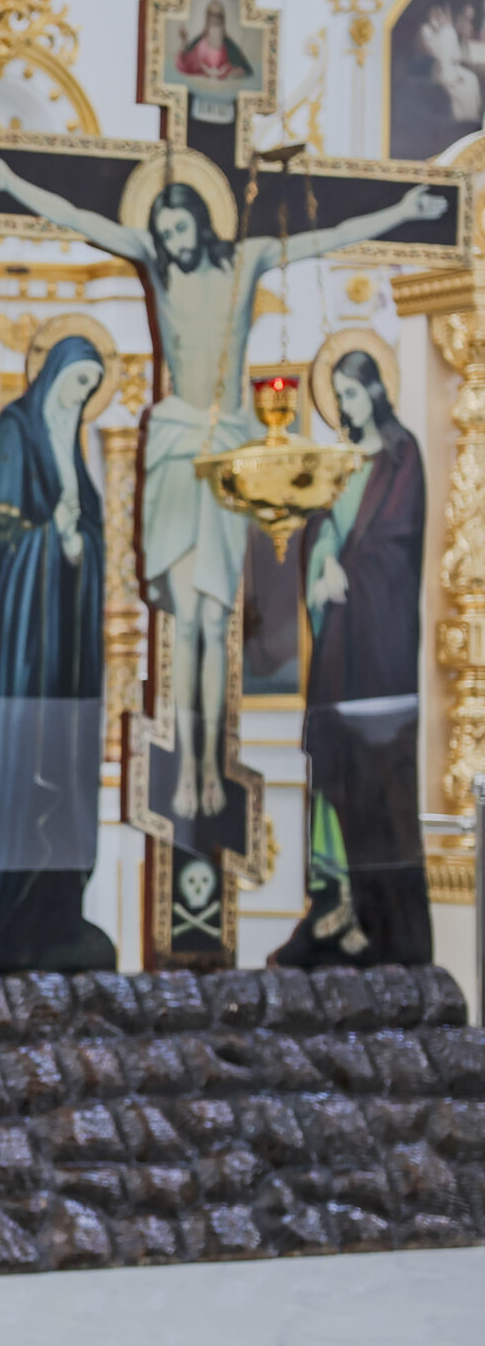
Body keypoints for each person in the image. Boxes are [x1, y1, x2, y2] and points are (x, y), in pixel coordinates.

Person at [0, 150, 446, 820]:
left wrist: (402, 210)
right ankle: (186, 766)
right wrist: (10, 182)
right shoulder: (156, 265)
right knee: (183, 619)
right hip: (175, 452)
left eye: (179, 228)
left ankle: (209, 763)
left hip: (224, 454)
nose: (172, 241)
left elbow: (325, 237)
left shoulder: (247, 260)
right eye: (163, 233)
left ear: (199, 220)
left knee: (214, 621)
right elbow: (80, 218)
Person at [0, 334, 116, 975]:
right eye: (77, 383)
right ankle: (5, 930)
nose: (82, 398)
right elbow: (0, 534)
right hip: (21, 658)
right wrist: (53, 538)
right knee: (25, 774)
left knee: (67, 772)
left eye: (91, 389)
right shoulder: (16, 430)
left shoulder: (71, 444)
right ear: (54, 376)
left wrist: (78, 544)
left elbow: (90, 539)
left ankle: (57, 919)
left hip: (67, 661)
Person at [274, 349, 431, 967]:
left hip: (380, 651)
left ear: (377, 392)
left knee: (377, 779)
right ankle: (331, 903)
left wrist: (351, 570)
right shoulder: (338, 461)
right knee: (334, 772)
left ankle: (378, 918)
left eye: (354, 393)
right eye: (339, 395)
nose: (346, 405)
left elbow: (398, 541)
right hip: (339, 646)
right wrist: (322, 561)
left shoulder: (401, 456)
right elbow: (321, 530)